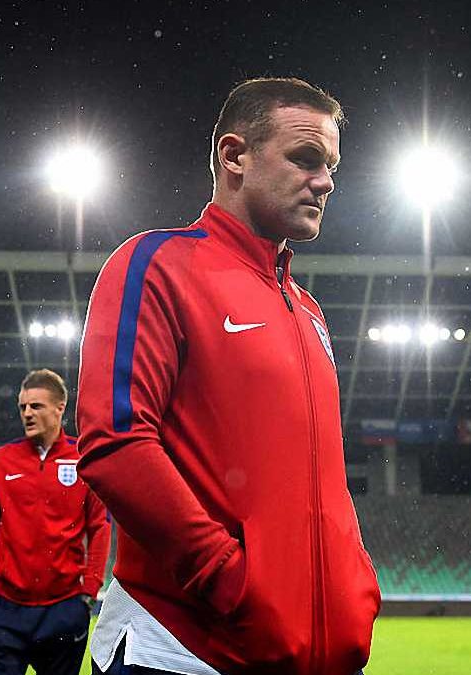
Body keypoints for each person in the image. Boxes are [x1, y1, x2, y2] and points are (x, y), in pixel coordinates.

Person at [76, 77, 382, 675]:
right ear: (235, 156)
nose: (325, 181)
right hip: (182, 650)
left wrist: (356, 586)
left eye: (331, 166)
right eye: (306, 158)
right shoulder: (157, 264)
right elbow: (115, 441)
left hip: (311, 656)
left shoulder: (309, 311)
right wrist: (226, 578)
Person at [0, 368, 111, 675]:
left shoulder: (83, 459)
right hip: (5, 608)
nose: (27, 414)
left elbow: (100, 526)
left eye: (36, 406)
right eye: (23, 407)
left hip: (64, 608)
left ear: (60, 407)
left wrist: (90, 590)